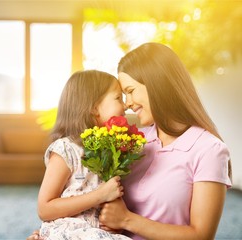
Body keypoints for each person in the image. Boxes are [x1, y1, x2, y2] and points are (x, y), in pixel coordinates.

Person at [27, 42, 232, 240]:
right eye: (122, 96)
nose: (128, 104)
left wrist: (127, 220)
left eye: (130, 91)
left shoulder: (209, 150)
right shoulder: (133, 140)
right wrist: (53, 232)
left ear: (156, 85)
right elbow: (84, 193)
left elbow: (201, 235)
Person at [37, 70, 131, 240]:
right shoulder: (65, 149)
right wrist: (99, 195)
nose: (125, 106)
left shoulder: (111, 150)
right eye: (118, 98)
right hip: (70, 232)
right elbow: (45, 209)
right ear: (95, 108)